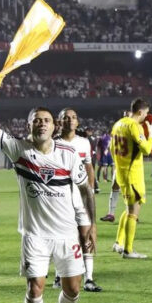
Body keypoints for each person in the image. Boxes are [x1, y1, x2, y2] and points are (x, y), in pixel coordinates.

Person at [0, 79, 90, 303]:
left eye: (46, 120)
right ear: (29, 126)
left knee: (73, 289)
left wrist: (88, 224)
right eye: (36, 120)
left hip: (66, 234)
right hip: (34, 235)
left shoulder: (69, 155)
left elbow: (82, 191)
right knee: (35, 286)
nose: (41, 124)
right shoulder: (19, 150)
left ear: (54, 127)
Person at [54, 108, 101, 292]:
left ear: (78, 122)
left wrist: (89, 190)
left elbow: (89, 168)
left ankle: (89, 278)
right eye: (66, 117)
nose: (70, 120)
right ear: (59, 121)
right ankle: (59, 275)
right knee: (61, 237)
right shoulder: (53, 143)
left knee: (85, 234)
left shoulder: (83, 142)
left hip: (80, 196)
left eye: (73, 117)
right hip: (59, 197)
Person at [111, 98, 152, 259]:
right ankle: (128, 250)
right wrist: (151, 136)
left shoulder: (117, 124)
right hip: (133, 175)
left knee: (128, 209)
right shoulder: (133, 126)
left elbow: (111, 148)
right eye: (145, 113)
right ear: (140, 112)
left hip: (122, 173)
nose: (146, 117)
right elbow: (146, 149)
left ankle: (119, 242)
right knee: (133, 213)